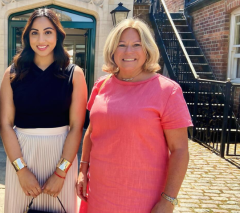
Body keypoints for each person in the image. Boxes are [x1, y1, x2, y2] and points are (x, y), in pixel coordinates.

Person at [76, 18, 192, 213]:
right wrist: (82, 169)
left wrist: (168, 201)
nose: (128, 51)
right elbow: (93, 130)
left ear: (147, 49)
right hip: (98, 191)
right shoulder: (101, 85)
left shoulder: (167, 91)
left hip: (142, 196)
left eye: (136, 44)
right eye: (121, 45)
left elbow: (180, 150)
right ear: (113, 51)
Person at [0, 8, 87, 213]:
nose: (41, 39)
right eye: (34, 32)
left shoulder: (74, 74)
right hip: (21, 154)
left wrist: (61, 173)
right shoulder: (12, 73)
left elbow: (76, 127)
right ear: (27, 36)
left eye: (48, 32)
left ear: (58, 35)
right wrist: (21, 170)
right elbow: (5, 124)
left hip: (61, 154)